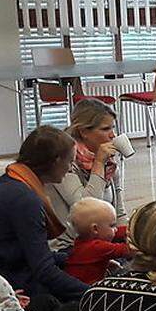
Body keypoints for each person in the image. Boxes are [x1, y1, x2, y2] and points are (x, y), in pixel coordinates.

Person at [0, 125, 87, 302]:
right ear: (56, 161)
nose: (70, 169)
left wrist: (77, 256)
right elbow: (45, 271)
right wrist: (96, 293)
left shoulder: (5, 184)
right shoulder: (25, 199)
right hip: (7, 287)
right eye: (69, 162)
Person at [47, 99, 126, 251]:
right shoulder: (64, 162)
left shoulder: (109, 164)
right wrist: (98, 164)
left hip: (100, 238)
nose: (112, 135)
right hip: (69, 248)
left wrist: (130, 236)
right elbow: (87, 208)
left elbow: (119, 213)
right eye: (105, 129)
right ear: (83, 132)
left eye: (113, 128)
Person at [64, 198, 131, 285]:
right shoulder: (97, 247)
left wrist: (128, 231)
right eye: (112, 225)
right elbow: (128, 250)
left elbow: (115, 233)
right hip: (87, 293)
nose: (115, 229)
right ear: (95, 229)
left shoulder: (81, 241)